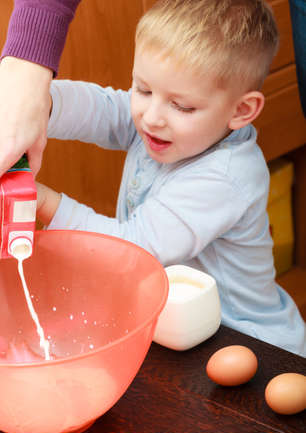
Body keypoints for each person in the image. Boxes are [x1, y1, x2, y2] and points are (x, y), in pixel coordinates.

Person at [35, 0, 305, 356]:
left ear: (241, 110)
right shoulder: (163, 128)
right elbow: (102, 108)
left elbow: (135, 247)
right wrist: (37, 103)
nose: (152, 117)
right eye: (143, 89)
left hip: (246, 341)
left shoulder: (225, 176)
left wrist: (40, 201)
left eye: (181, 106)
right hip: (180, 328)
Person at [0, 0, 81, 176]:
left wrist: (46, 200)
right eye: (144, 91)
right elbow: (108, 111)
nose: (151, 117)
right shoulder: (132, 122)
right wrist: (44, 104)